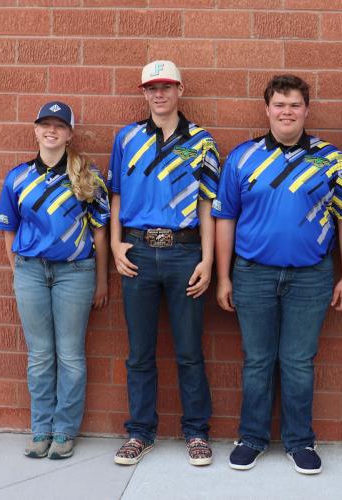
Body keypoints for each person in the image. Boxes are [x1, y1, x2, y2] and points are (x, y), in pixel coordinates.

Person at [213, 75, 342, 475]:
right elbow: (225, 218)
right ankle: (251, 437)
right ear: (267, 110)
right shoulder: (242, 158)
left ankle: (300, 441)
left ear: (306, 110)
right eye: (279, 104)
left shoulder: (330, 160)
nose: (286, 112)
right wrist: (224, 277)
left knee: (298, 362)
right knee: (258, 361)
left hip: (311, 276)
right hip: (253, 274)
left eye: (294, 105)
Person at [109, 60, 220, 466]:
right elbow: (115, 194)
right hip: (137, 253)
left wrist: (208, 259)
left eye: (167, 87)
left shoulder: (203, 142)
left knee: (189, 350)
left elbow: (209, 204)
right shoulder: (127, 138)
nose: (159, 94)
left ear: (180, 90)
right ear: (143, 93)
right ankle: (140, 432)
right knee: (140, 352)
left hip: (184, 252)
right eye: (151, 88)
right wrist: (117, 245)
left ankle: (196, 431)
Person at [0, 101, 110, 460]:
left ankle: (64, 430)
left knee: (71, 355)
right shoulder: (17, 177)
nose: (52, 131)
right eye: (45, 124)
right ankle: (41, 428)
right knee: (40, 356)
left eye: (59, 126)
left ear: (69, 133)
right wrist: (19, 270)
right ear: (35, 130)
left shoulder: (88, 176)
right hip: (31, 271)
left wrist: (103, 280)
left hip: (75, 274)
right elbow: (8, 229)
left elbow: (101, 234)